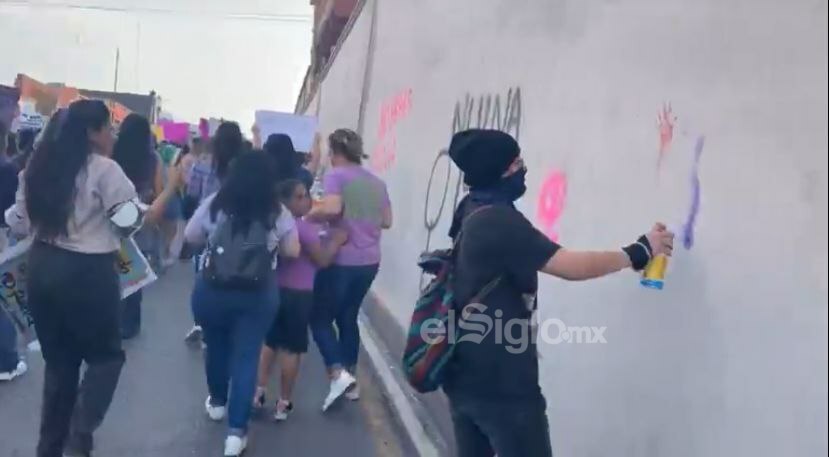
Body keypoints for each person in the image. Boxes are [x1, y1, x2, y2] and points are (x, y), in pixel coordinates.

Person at [439, 129, 674, 457]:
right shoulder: (498, 221)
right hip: (502, 386)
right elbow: (569, 265)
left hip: (465, 373)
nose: (523, 169)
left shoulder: (471, 207)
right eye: (516, 163)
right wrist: (637, 251)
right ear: (499, 171)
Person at [5, 99, 181, 457]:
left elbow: (19, 221)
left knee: (60, 363)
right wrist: (170, 188)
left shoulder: (38, 167)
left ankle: (50, 447)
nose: (112, 135)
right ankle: (79, 432)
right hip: (88, 273)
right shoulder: (104, 170)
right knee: (105, 358)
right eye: (107, 128)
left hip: (42, 266)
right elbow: (131, 221)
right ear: (92, 133)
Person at [185, 145, 300, 456]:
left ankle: (218, 402)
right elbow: (293, 251)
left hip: (212, 290)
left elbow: (191, 234)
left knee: (216, 346)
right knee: (247, 357)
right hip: (258, 294)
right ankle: (236, 434)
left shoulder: (216, 204)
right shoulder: (278, 211)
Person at [306, 128, 392, 411]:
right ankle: (351, 380)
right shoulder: (377, 183)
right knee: (348, 316)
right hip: (370, 261)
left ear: (336, 153)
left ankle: (338, 373)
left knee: (319, 319)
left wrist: (310, 213)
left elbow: (332, 209)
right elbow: (387, 221)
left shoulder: (336, 176)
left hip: (343, 259)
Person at [254, 179, 348, 420]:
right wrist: (336, 241)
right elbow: (323, 260)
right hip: (299, 295)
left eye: (306, 195)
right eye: (299, 196)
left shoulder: (275, 225)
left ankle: (258, 391)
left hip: (275, 290)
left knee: (270, 343)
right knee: (292, 349)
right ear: (285, 201)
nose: (306, 200)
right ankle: (284, 403)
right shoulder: (303, 229)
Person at [183, 127, 242, 343]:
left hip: (207, 223)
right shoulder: (242, 167)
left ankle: (201, 320)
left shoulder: (203, 164)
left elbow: (191, 194)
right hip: (237, 229)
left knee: (202, 273)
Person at [111, 113, 164, 339]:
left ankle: (109, 318)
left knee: (109, 269)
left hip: (112, 218)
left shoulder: (112, 153)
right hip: (139, 222)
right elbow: (159, 190)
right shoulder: (152, 159)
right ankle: (130, 323)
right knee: (133, 271)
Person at [0, 123, 26, 382]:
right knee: (4, 301)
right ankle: (6, 362)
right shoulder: (9, 170)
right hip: (1, 235)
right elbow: (14, 213)